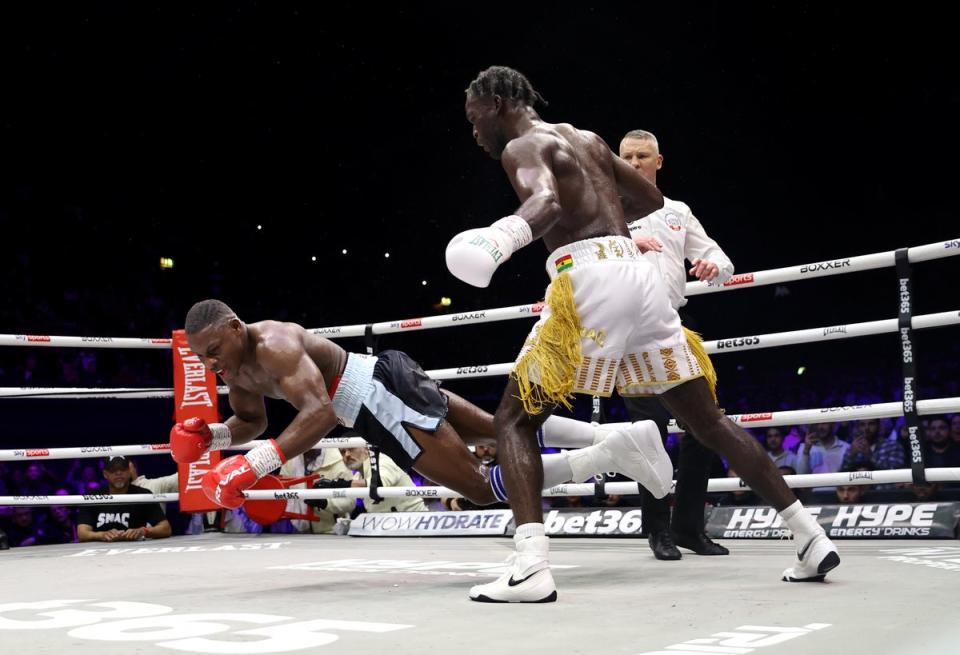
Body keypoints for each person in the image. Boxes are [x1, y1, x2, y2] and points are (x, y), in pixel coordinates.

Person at [447, 65, 838, 602]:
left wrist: (500, 238)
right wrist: (599, 214)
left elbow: (546, 203)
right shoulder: (584, 139)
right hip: (639, 276)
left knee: (511, 421)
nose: (474, 134)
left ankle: (530, 567)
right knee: (710, 422)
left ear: (495, 103)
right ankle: (810, 537)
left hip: (587, 279)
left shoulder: (522, 146)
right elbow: (651, 201)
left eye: (473, 119)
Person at [172, 300, 673, 534]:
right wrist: (212, 436)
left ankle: (611, 452)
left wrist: (254, 465)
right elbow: (252, 421)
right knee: (502, 429)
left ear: (236, 327)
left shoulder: (276, 344)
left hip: (373, 396)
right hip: (381, 387)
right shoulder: (234, 368)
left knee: (479, 486)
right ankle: (621, 436)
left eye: (214, 349)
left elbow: (319, 411)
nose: (210, 363)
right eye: (202, 358)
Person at [617, 127, 733, 560]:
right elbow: (571, 258)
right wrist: (624, 241)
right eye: (626, 156)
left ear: (658, 161)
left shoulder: (677, 211)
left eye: (642, 156)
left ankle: (688, 527)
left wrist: (709, 266)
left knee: (704, 426)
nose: (634, 164)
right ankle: (657, 531)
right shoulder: (603, 208)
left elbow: (722, 259)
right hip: (628, 332)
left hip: (673, 326)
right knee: (648, 433)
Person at [308, 444, 430, 515]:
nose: (347, 455)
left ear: (366, 449)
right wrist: (323, 502)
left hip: (415, 520)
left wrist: (337, 484)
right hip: (387, 527)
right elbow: (348, 503)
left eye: (351, 449)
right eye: (343, 452)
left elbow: (379, 484)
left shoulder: (383, 460)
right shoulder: (358, 477)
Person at [76, 456, 172, 542]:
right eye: (113, 470)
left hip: (134, 550)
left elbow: (165, 528)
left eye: (123, 469)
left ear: (129, 471)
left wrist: (144, 531)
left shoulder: (142, 494)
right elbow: (82, 533)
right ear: (105, 474)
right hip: (100, 552)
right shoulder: (93, 496)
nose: (119, 473)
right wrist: (101, 535)